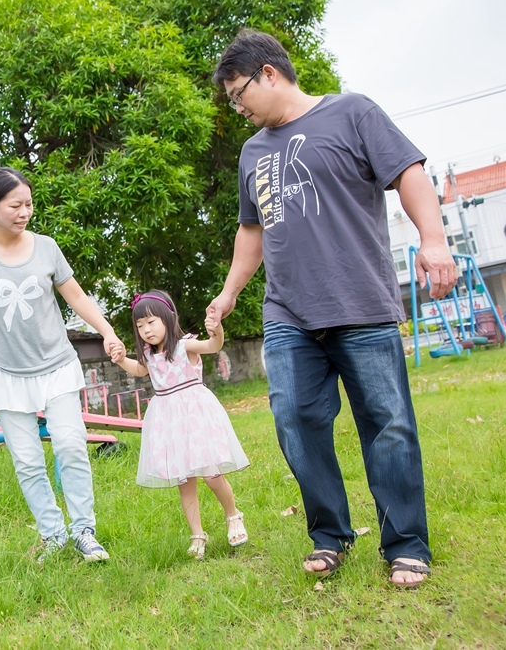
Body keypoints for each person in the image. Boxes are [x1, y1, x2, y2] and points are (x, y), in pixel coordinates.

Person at [207, 29, 457, 589]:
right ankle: (330, 534)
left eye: (238, 93)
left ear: (269, 73)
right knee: (294, 419)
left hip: (360, 302)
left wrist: (433, 240)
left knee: (387, 425)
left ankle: (406, 543)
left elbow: (408, 173)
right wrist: (229, 292)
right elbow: (252, 231)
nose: (237, 105)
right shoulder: (253, 152)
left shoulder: (353, 113)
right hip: (288, 311)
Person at [0, 166, 124, 564]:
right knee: (26, 460)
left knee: (70, 445)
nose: (24, 211)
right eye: (15, 205)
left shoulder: (46, 247)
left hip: (56, 364)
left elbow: (76, 297)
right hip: (5, 372)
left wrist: (107, 331)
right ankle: (53, 535)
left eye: (28, 203)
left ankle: (84, 531)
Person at [110, 290, 249, 559]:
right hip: (168, 421)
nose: (146, 330)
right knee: (184, 480)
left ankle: (233, 515)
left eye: (151, 322)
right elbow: (139, 370)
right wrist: (120, 359)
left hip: (194, 415)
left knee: (211, 473)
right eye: (140, 326)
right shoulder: (149, 356)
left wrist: (216, 329)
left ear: (167, 318)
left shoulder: (185, 346)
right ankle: (197, 533)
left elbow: (213, 346)